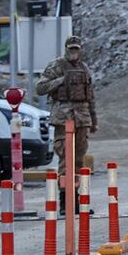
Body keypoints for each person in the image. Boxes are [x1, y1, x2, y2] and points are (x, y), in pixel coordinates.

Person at [36, 35, 96, 214]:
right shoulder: (56, 66)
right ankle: (65, 203)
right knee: (65, 160)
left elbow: (90, 96)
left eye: (77, 49)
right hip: (63, 118)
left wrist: (94, 120)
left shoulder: (84, 69)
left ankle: (76, 202)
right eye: (71, 49)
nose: (74, 52)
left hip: (82, 119)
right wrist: (60, 80)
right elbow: (40, 88)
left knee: (78, 160)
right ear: (66, 49)